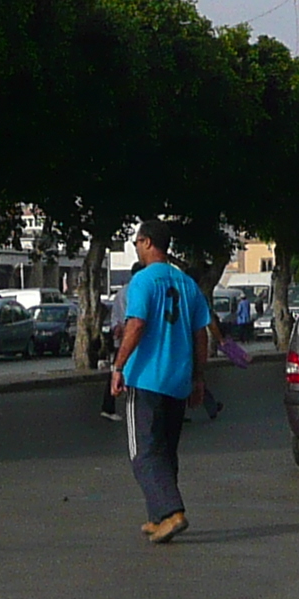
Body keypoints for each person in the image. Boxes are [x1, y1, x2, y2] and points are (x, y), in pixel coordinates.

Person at [111, 228, 208, 543]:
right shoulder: (188, 283)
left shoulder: (143, 281)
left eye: (137, 241)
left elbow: (136, 324)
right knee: (165, 451)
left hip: (147, 377)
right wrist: (198, 377)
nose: (136, 247)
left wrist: (118, 366)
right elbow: (201, 335)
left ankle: (172, 512)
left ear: (148, 242)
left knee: (144, 453)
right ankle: (157, 516)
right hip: (178, 379)